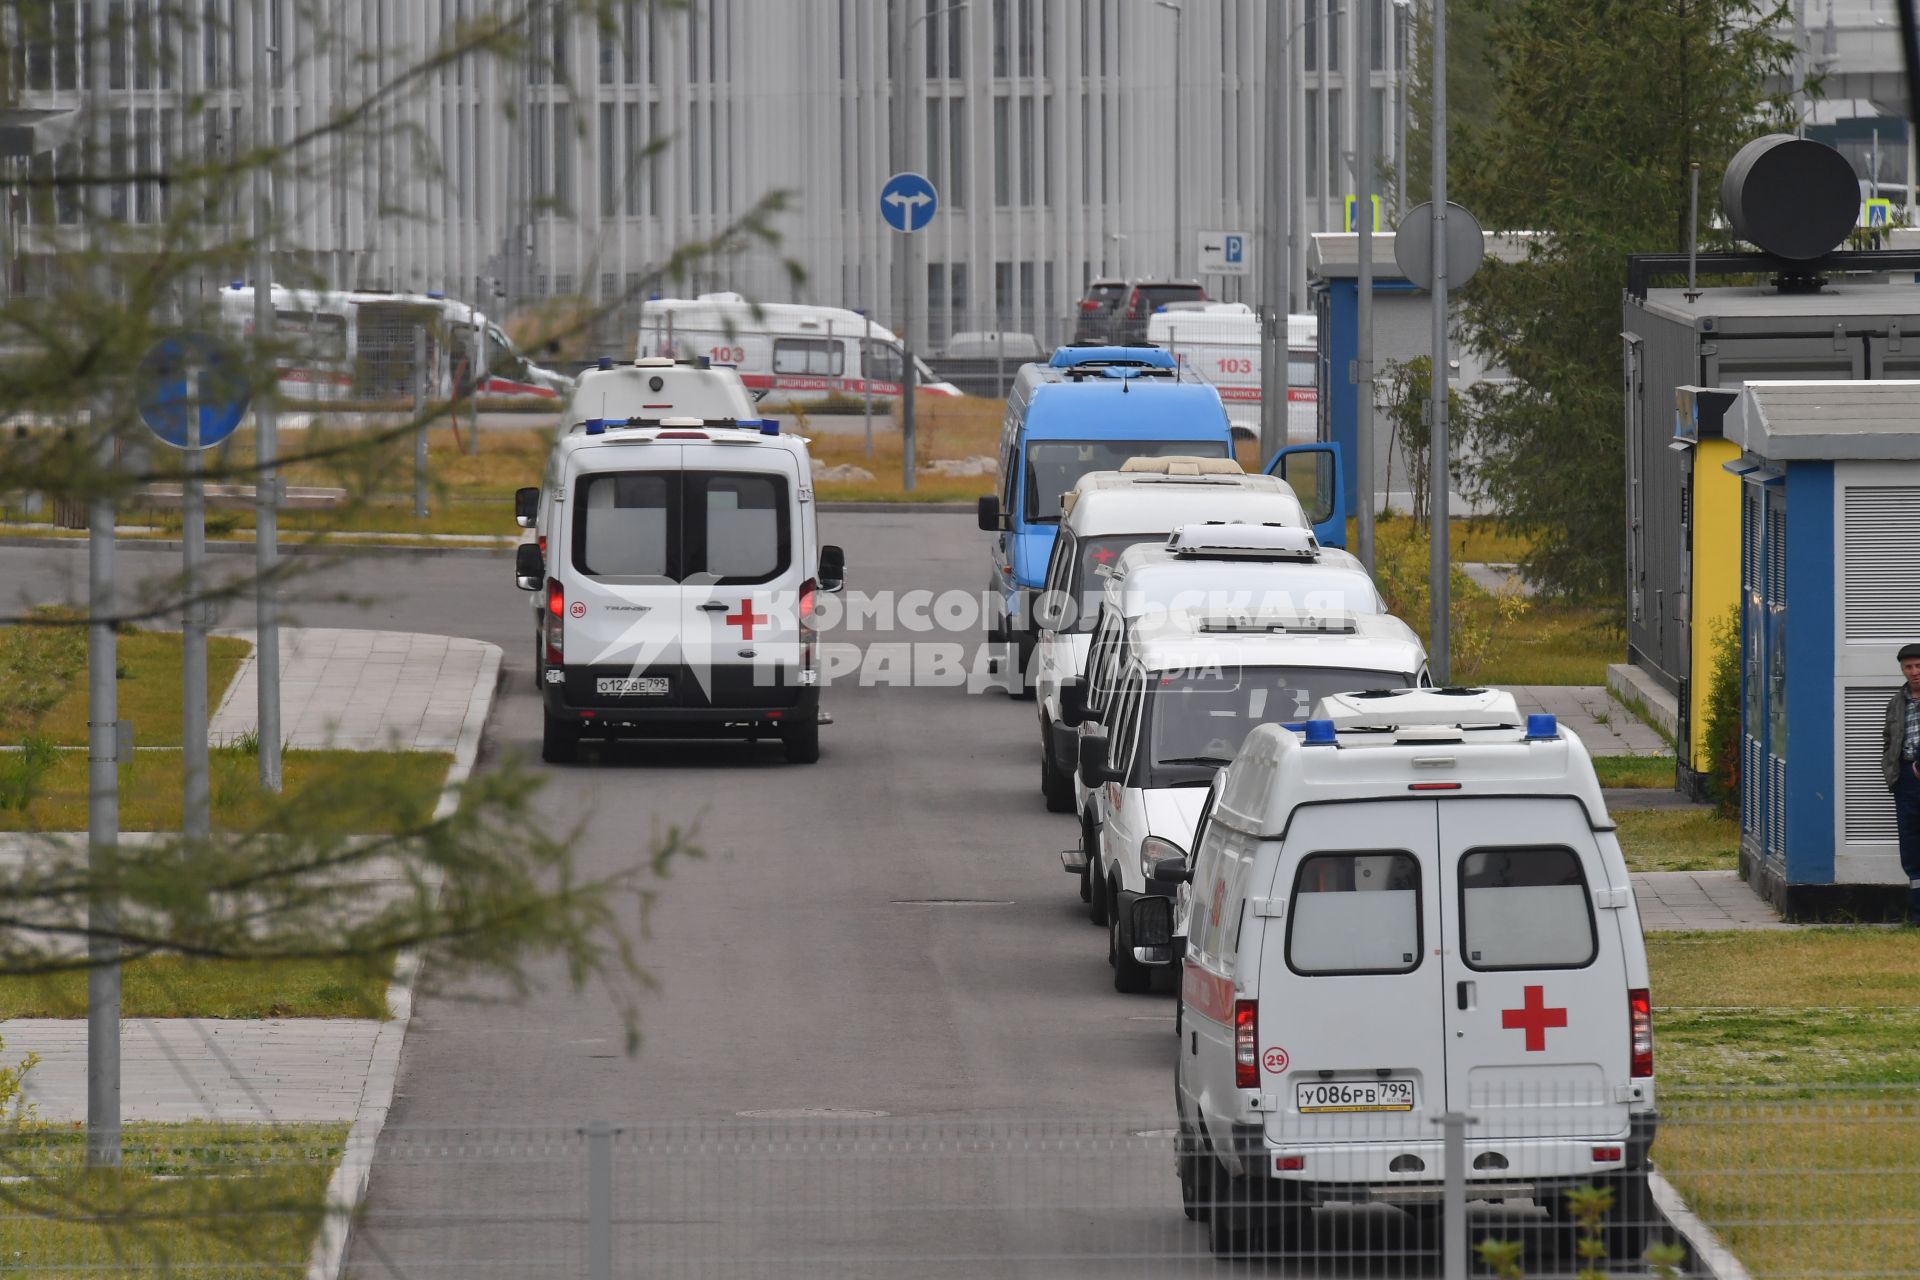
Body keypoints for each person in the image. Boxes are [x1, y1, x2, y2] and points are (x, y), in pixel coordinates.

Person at [1880, 643, 1920, 925]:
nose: (1914, 672)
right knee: (1911, 846)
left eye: (1919, 666)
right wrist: (1893, 775)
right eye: (1908, 667)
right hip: (1906, 781)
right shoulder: (1897, 701)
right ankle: (1918, 914)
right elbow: (1889, 740)